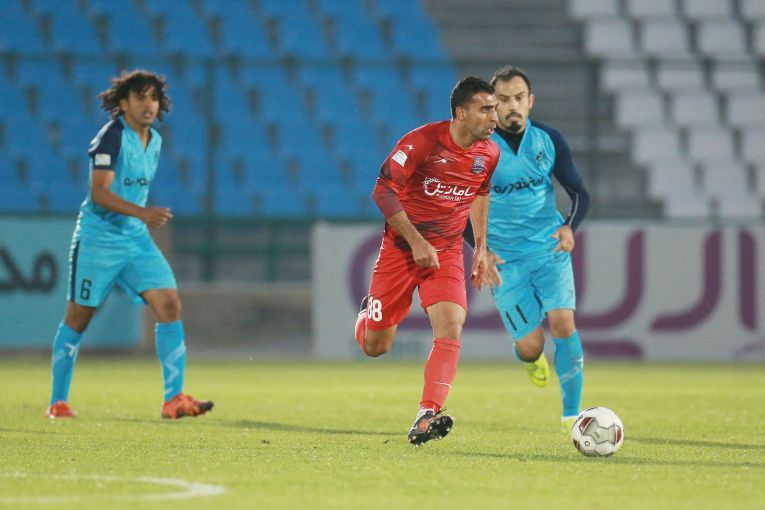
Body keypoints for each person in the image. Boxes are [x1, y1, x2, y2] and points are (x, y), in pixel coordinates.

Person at [46, 70, 213, 420]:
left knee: (169, 303)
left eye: (154, 98)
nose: (148, 104)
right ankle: (58, 402)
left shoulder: (155, 139)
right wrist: (143, 213)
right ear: (123, 104)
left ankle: (173, 399)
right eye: (140, 97)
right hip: (99, 238)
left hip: (135, 238)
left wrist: (140, 218)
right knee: (78, 318)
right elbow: (99, 193)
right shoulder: (110, 137)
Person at [354, 76, 501, 446]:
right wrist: (416, 241)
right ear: (461, 113)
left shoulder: (489, 153)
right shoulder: (422, 142)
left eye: (495, 109)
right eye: (485, 109)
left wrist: (481, 247)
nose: (494, 117)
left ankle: (426, 414)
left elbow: (480, 193)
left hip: (446, 252)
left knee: (451, 324)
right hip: (402, 250)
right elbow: (382, 191)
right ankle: (367, 313)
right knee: (376, 346)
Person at [464, 65, 590, 430]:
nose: (512, 106)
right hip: (505, 260)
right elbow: (459, 206)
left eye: (519, 98)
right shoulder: (479, 149)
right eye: (503, 99)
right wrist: (481, 250)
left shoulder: (548, 140)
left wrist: (569, 228)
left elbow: (579, 193)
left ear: (530, 101)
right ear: (492, 105)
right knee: (532, 346)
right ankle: (529, 357)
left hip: (549, 249)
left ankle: (572, 415)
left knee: (563, 322)